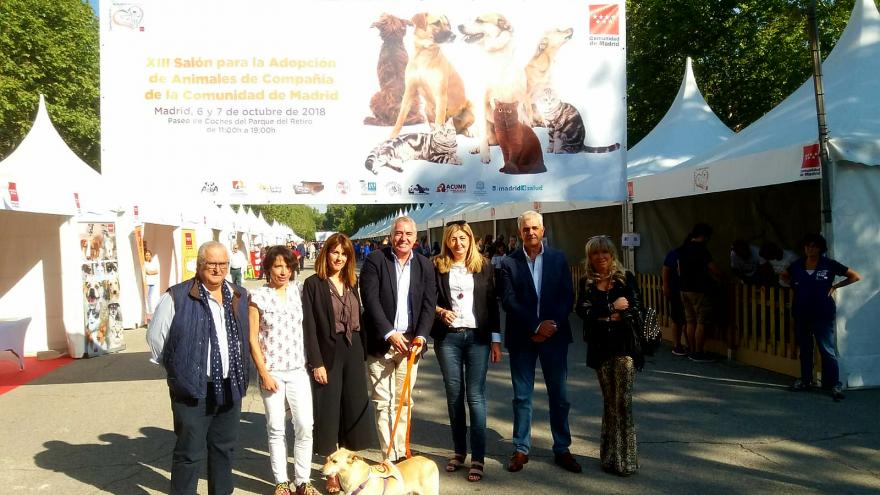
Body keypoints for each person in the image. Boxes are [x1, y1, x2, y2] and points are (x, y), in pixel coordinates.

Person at [146, 241, 250, 495]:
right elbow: (156, 338)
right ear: (199, 265)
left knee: (223, 449)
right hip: (193, 387)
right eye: (211, 263)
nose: (217, 269)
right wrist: (180, 369)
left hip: (229, 384)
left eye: (222, 264)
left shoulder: (238, 294)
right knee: (189, 453)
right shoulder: (176, 296)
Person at [499, 210, 580, 474]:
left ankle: (562, 448)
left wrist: (549, 326)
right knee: (522, 397)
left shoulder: (558, 258)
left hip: (554, 336)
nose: (531, 233)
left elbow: (567, 296)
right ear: (519, 232)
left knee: (559, 396)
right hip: (523, 337)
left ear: (543, 230)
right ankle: (521, 448)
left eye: (535, 228)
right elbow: (509, 300)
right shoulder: (508, 262)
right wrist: (534, 326)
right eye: (526, 229)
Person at [360, 216, 437, 461]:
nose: (403, 238)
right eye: (398, 233)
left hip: (410, 346)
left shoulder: (425, 265)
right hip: (381, 344)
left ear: (416, 238)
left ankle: (402, 454)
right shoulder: (375, 260)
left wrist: (422, 337)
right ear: (391, 236)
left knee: (403, 403)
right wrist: (389, 333)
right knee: (383, 402)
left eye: (408, 234)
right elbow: (370, 300)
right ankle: (389, 457)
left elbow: (429, 304)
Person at [302, 233, 374, 494]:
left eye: (344, 254)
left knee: (352, 407)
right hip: (328, 352)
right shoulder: (314, 284)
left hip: (353, 348)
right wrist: (316, 362)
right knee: (329, 411)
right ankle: (330, 469)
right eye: (335, 252)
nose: (339, 258)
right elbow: (309, 326)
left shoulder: (351, 282)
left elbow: (362, 318)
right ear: (326, 253)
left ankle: (348, 467)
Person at [432, 220, 502, 482]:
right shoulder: (437, 266)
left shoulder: (484, 266)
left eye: (463, 238)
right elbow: (429, 299)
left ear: (470, 240)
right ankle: (459, 452)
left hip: (477, 338)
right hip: (448, 338)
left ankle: (478, 458)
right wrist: (440, 312)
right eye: (453, 239)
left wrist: (496, 341)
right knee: (454, 396)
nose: (458, 244)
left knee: (475, 397)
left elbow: (492, 305)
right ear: (447, 241)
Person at [248, 246, 318, 495]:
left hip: (298, 369)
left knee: (304, 425)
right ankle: (281, 481)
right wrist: (264, 373)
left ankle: (303, 480)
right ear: (268, 268)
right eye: (278, 266)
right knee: (276, 427)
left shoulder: (299, 292)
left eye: (288, 266)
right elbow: (253, 338)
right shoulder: (258, 297)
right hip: (273, 372)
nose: (283, 271)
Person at [575, 235, 642, 476]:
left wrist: (603, 315)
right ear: (589, 257)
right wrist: (612, 309)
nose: (600, 257)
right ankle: (610, 457)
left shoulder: (625, 279)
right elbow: (582, 310)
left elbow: (634, 307)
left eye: (604, 252)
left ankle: (626, 459)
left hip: (624, 348)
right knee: (609, 402)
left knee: (623, 402)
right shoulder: (587, 283)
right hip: (600, 349)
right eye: (595, 253)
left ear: (612, 254)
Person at [782, 233, 860, 401]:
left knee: (827, 349)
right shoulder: (797, 265)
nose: (810, 249)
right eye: (807, 246)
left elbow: (855, 276)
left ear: (820, 248)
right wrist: (795, 285)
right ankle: (805, 380)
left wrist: (836, 286)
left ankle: (834, 384)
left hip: (822, 314)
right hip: (801, 313)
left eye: (814, 246)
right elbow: (784, 276)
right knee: (805, 348)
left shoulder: (829, 265)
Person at [677, 223, 723, 362]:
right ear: (704, 236)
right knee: (701, 322)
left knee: (690, 321)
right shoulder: (701, 250)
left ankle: (691, 349)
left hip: (684, 288)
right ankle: (698, 351)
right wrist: (723, 278)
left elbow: (678, 269)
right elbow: (713, 269)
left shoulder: (683, 248)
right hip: (699, 289)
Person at [662, 243, 687, 355]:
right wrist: (666, 286)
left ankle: (686, 345)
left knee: (684, 320)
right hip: (677, 290)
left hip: (683, 289)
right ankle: (677, 345)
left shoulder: (676, 253)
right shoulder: (675, 254)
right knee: (678, 318)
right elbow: (666, 269)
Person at [143, 249, 160, 322]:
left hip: (153, 283)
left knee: (152, 298)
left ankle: (152, 313)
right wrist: (151, 272)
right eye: (146, 255)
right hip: (147, 283)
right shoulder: (144, 263)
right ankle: (149, 314)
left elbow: (157, 271)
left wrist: (151, 272)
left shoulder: (153, 263)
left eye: (149, 255)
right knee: (148, 299)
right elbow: (148, 272)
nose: (148, 256)